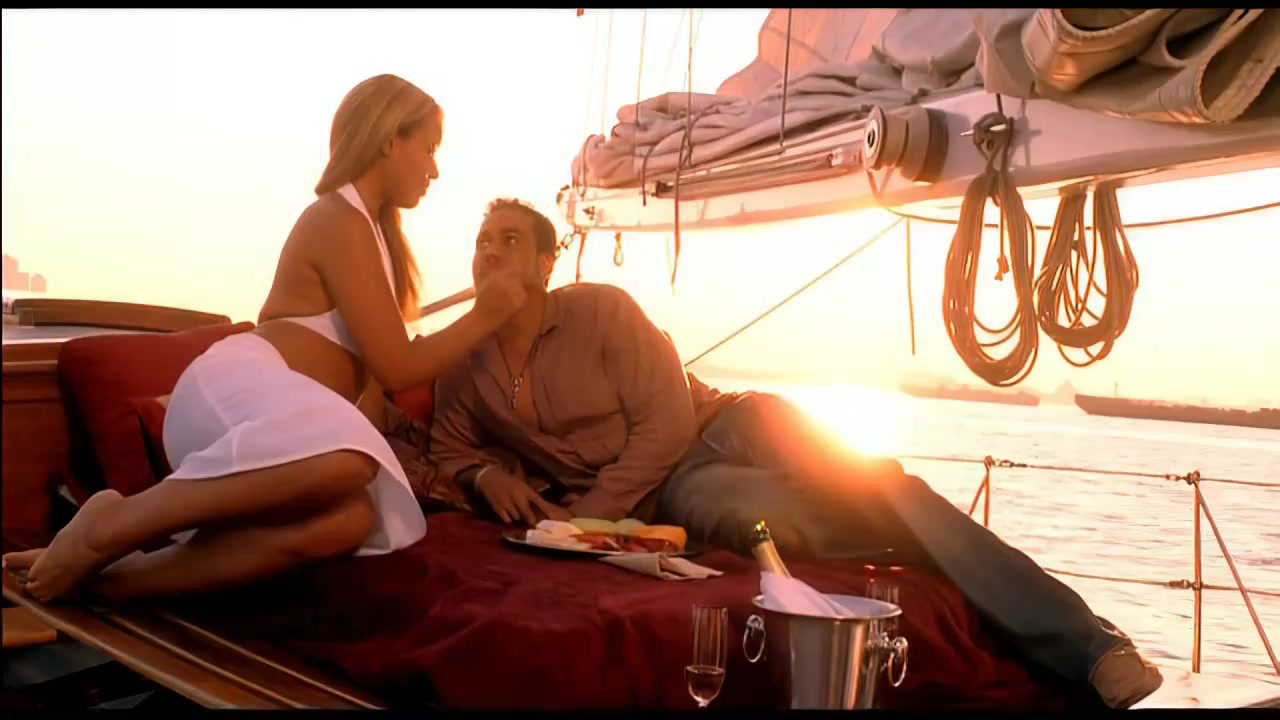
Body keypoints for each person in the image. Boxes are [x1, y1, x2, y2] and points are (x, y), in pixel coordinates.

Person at [426, 198, 1164, 709]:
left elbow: (664, 422)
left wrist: (584, 522)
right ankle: (960, 570)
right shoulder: (466, 361)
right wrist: (484, 474)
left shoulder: (602, 310)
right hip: (678, 487)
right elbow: (446, 446)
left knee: (879, 483)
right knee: (792, 518)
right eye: (482, 241)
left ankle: (1090, 648)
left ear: (546, 264)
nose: (489, 250)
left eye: (509, 240)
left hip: (722, 422)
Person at [1, 74, 529, 603]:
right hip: (234, 391)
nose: (434, 169)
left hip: (275, 416)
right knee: (350, 458)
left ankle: (112, 582)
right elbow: (399, 367)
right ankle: (111, 525)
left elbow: (371, 387)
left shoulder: (372, 235)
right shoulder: (337, 218)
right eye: (429, 149)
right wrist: (486, 313)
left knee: (350, 519)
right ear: (391, 139)